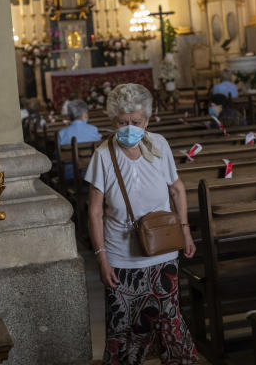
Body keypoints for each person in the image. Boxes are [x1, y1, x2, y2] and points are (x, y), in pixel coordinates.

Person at [85, 83, 198, 364]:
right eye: (122, 122)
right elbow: (95, 212)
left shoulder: (159, 145)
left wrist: (186, 232)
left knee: (169, 321)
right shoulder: (103, 155)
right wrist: (101, 259)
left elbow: (177, 189)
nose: (129, 128)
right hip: (121, 260)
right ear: (113, 121)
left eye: (136, 122)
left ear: (147, 120)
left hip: (163, 251)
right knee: (123, 329)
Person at [58, 99, 102, 180]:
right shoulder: (94, 130)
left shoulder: (61, 133)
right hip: (93, 173)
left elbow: (59, 157)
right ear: (84, 114)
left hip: (70, 174)